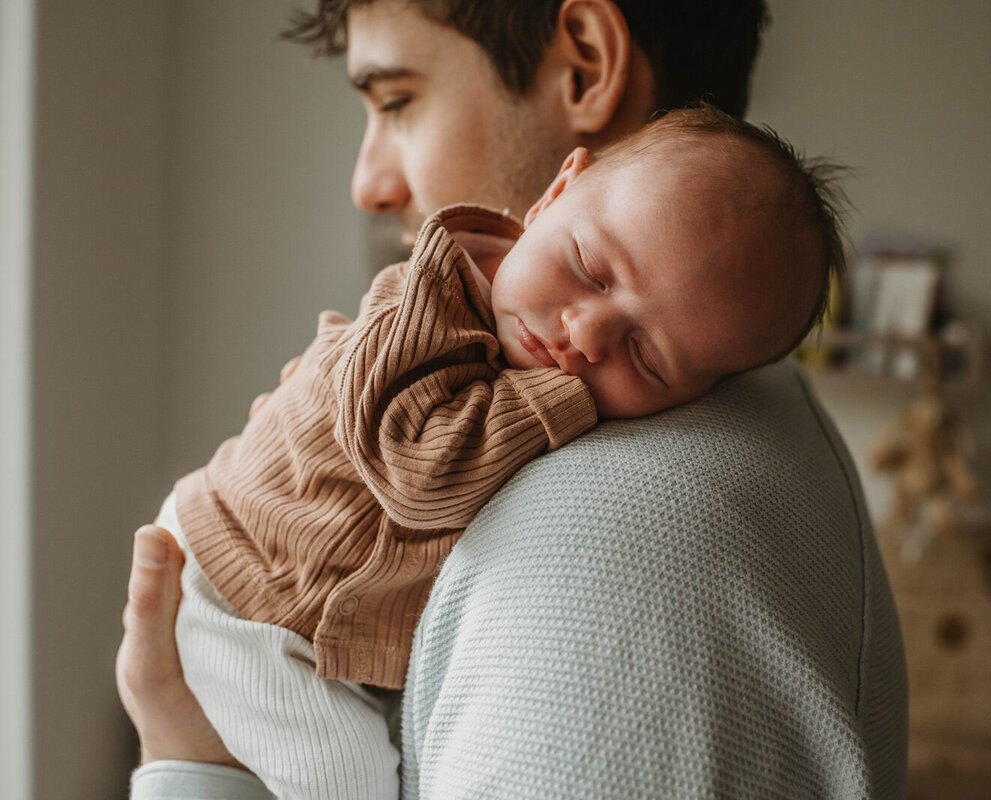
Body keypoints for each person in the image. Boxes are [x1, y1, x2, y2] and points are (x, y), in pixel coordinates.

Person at [118, 1, 908, 797]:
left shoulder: (624, 551)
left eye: (399, 102)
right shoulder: (755, 399)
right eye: (593, 270)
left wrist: (189, 764)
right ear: (563, 191)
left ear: (587, 62)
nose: (369, 182)